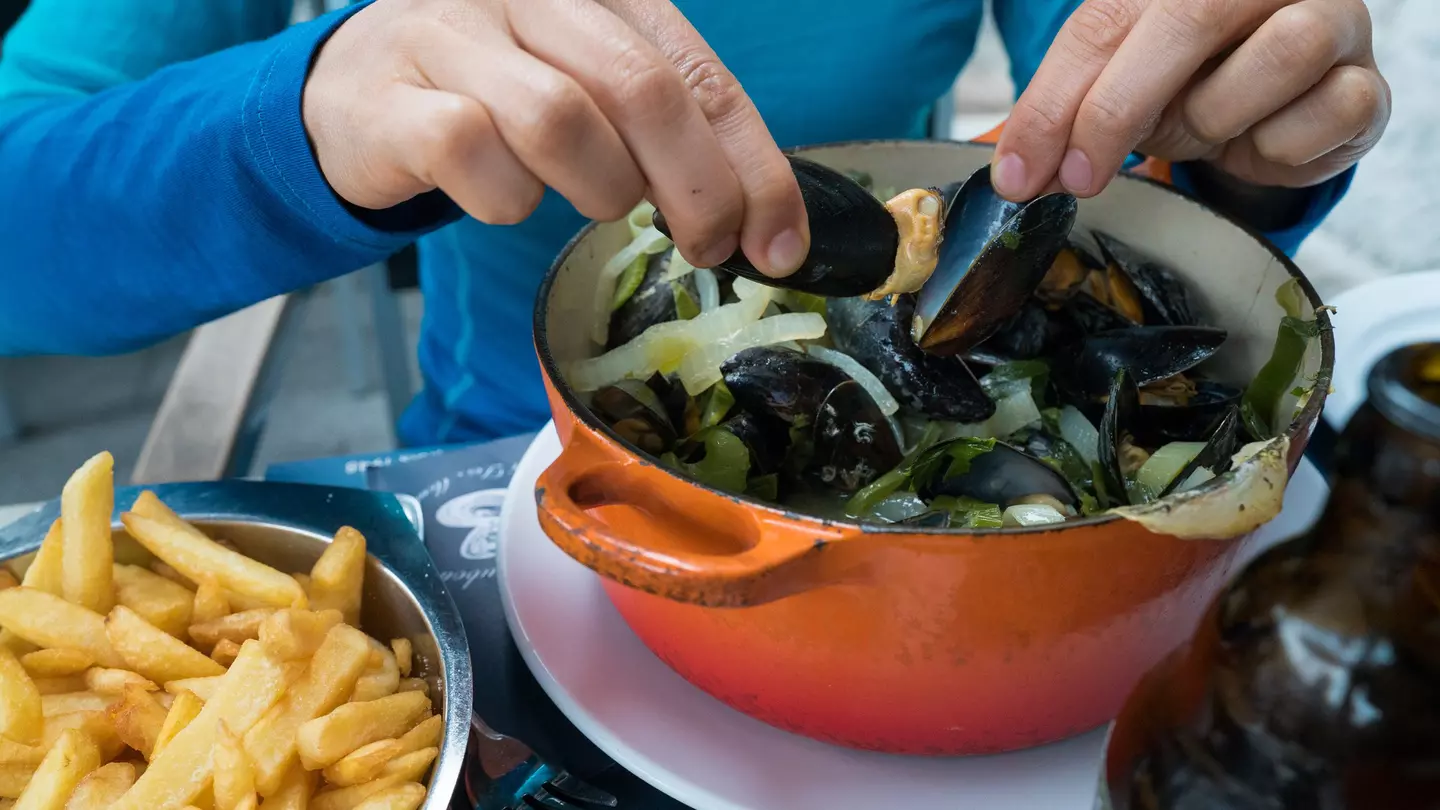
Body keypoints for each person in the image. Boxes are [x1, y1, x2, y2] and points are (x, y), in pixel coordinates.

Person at [0, 0, 1388, 446]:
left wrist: (1246, 134)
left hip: (949, 462)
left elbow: (1134, 146)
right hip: (510, 478)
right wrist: (303, 110)